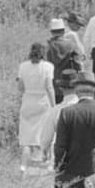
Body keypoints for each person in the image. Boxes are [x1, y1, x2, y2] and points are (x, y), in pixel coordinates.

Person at [17, 42, 55, 174]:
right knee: (47, 132)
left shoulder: (22, 67)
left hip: (28, 100)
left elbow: (20, 88)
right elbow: (49, 87)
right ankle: (49, 161)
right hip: (43, 101)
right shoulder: (48, 67)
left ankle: (23, 165)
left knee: (26, 135)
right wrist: (54, 105)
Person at [41, 68, 80, 167]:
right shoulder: (85, 109)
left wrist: (45, 152)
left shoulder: (55, 111)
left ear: (61, 88)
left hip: (62, 158)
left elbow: (46, 139)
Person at [47, 18, 79, 104]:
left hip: (53, 85)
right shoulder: (71, 45)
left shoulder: (49, 47)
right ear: (63, 31)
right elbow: (78, 64)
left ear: (51, 32)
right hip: (68, 84)